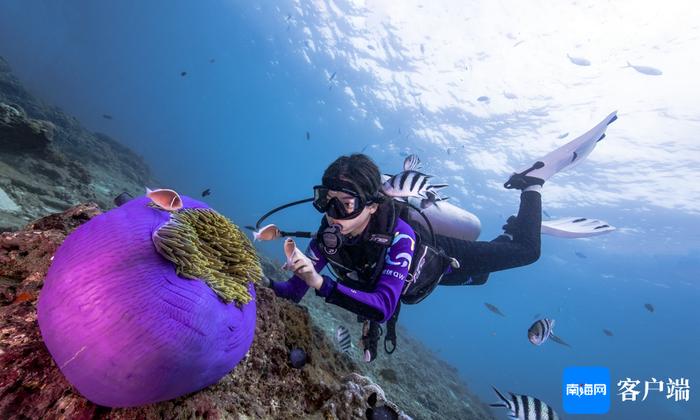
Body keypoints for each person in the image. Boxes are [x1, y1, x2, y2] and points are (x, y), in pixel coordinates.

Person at [265, 153, 543, 361]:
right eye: (327, 200)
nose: (333, 213)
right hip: (394, 279)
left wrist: (320, 283)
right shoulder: (330, 230)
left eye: (346, 204)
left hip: (440, 262)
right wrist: (263, 286)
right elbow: (291, 291)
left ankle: (531, 186)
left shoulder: (401, 236)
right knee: (481, 276)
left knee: (522, 253)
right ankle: (507, 234)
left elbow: (382, 307)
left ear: (372, 206)